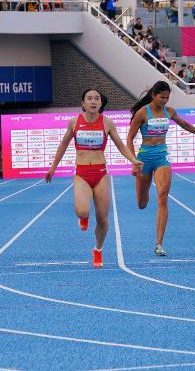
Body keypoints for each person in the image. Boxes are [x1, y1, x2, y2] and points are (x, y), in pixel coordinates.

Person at [44, 88, 143, 268]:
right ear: (83, 103)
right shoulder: (74, 122)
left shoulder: (107, 123)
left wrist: (134, 160)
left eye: (96, 98)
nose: (93, 101)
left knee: (103, 220)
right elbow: (63, 144)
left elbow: (121, 145)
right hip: (82, 174)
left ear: (100, 103)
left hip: (101, 174)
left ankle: (98, 249)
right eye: (89, 98)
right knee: (82, 212)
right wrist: (53, 167)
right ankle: (83, 217)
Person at [126, 81, 195, 256]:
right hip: (144, 158)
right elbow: (130, 138)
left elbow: (185, 125)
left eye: (167, 98)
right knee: (142, 204)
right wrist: (133, 161)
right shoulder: (142, 113)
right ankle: (145, 192)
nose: (165, 100)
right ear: (154, 95)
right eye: (162, 97)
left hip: (162, 156)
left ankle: (159, 244)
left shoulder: (170, 111)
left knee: (163, 196)